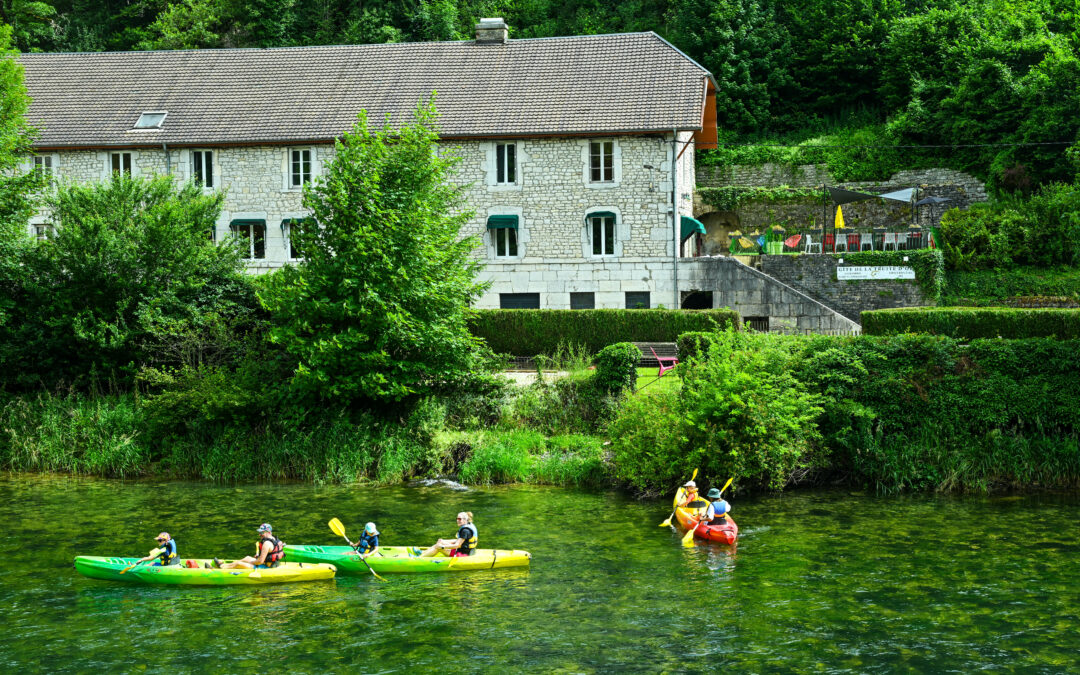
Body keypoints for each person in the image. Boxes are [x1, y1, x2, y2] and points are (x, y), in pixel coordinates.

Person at [217, 523, 285, 569]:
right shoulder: (274, 539)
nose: (259, 534)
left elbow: (260, 561)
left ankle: (222, 568)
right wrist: (256, 557)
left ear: (269, 532)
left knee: (239, 564)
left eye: (262, 532)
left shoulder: (266, 543)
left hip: (267, 567)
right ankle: (224, 565)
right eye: (259, 532)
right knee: (246, 558)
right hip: (273, 564)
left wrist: (252, 562)